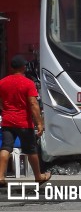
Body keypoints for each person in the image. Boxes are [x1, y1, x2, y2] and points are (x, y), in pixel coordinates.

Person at [0, 55, 51, 185]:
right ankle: (38, 176)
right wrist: (40, 123)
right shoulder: (28, 83)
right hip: (24, 122)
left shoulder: (2, 82)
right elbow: (33, 104)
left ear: (12, 68)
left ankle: (0, 177)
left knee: (6, 147)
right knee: (31, 149)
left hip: (7, 120)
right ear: (23, 67)